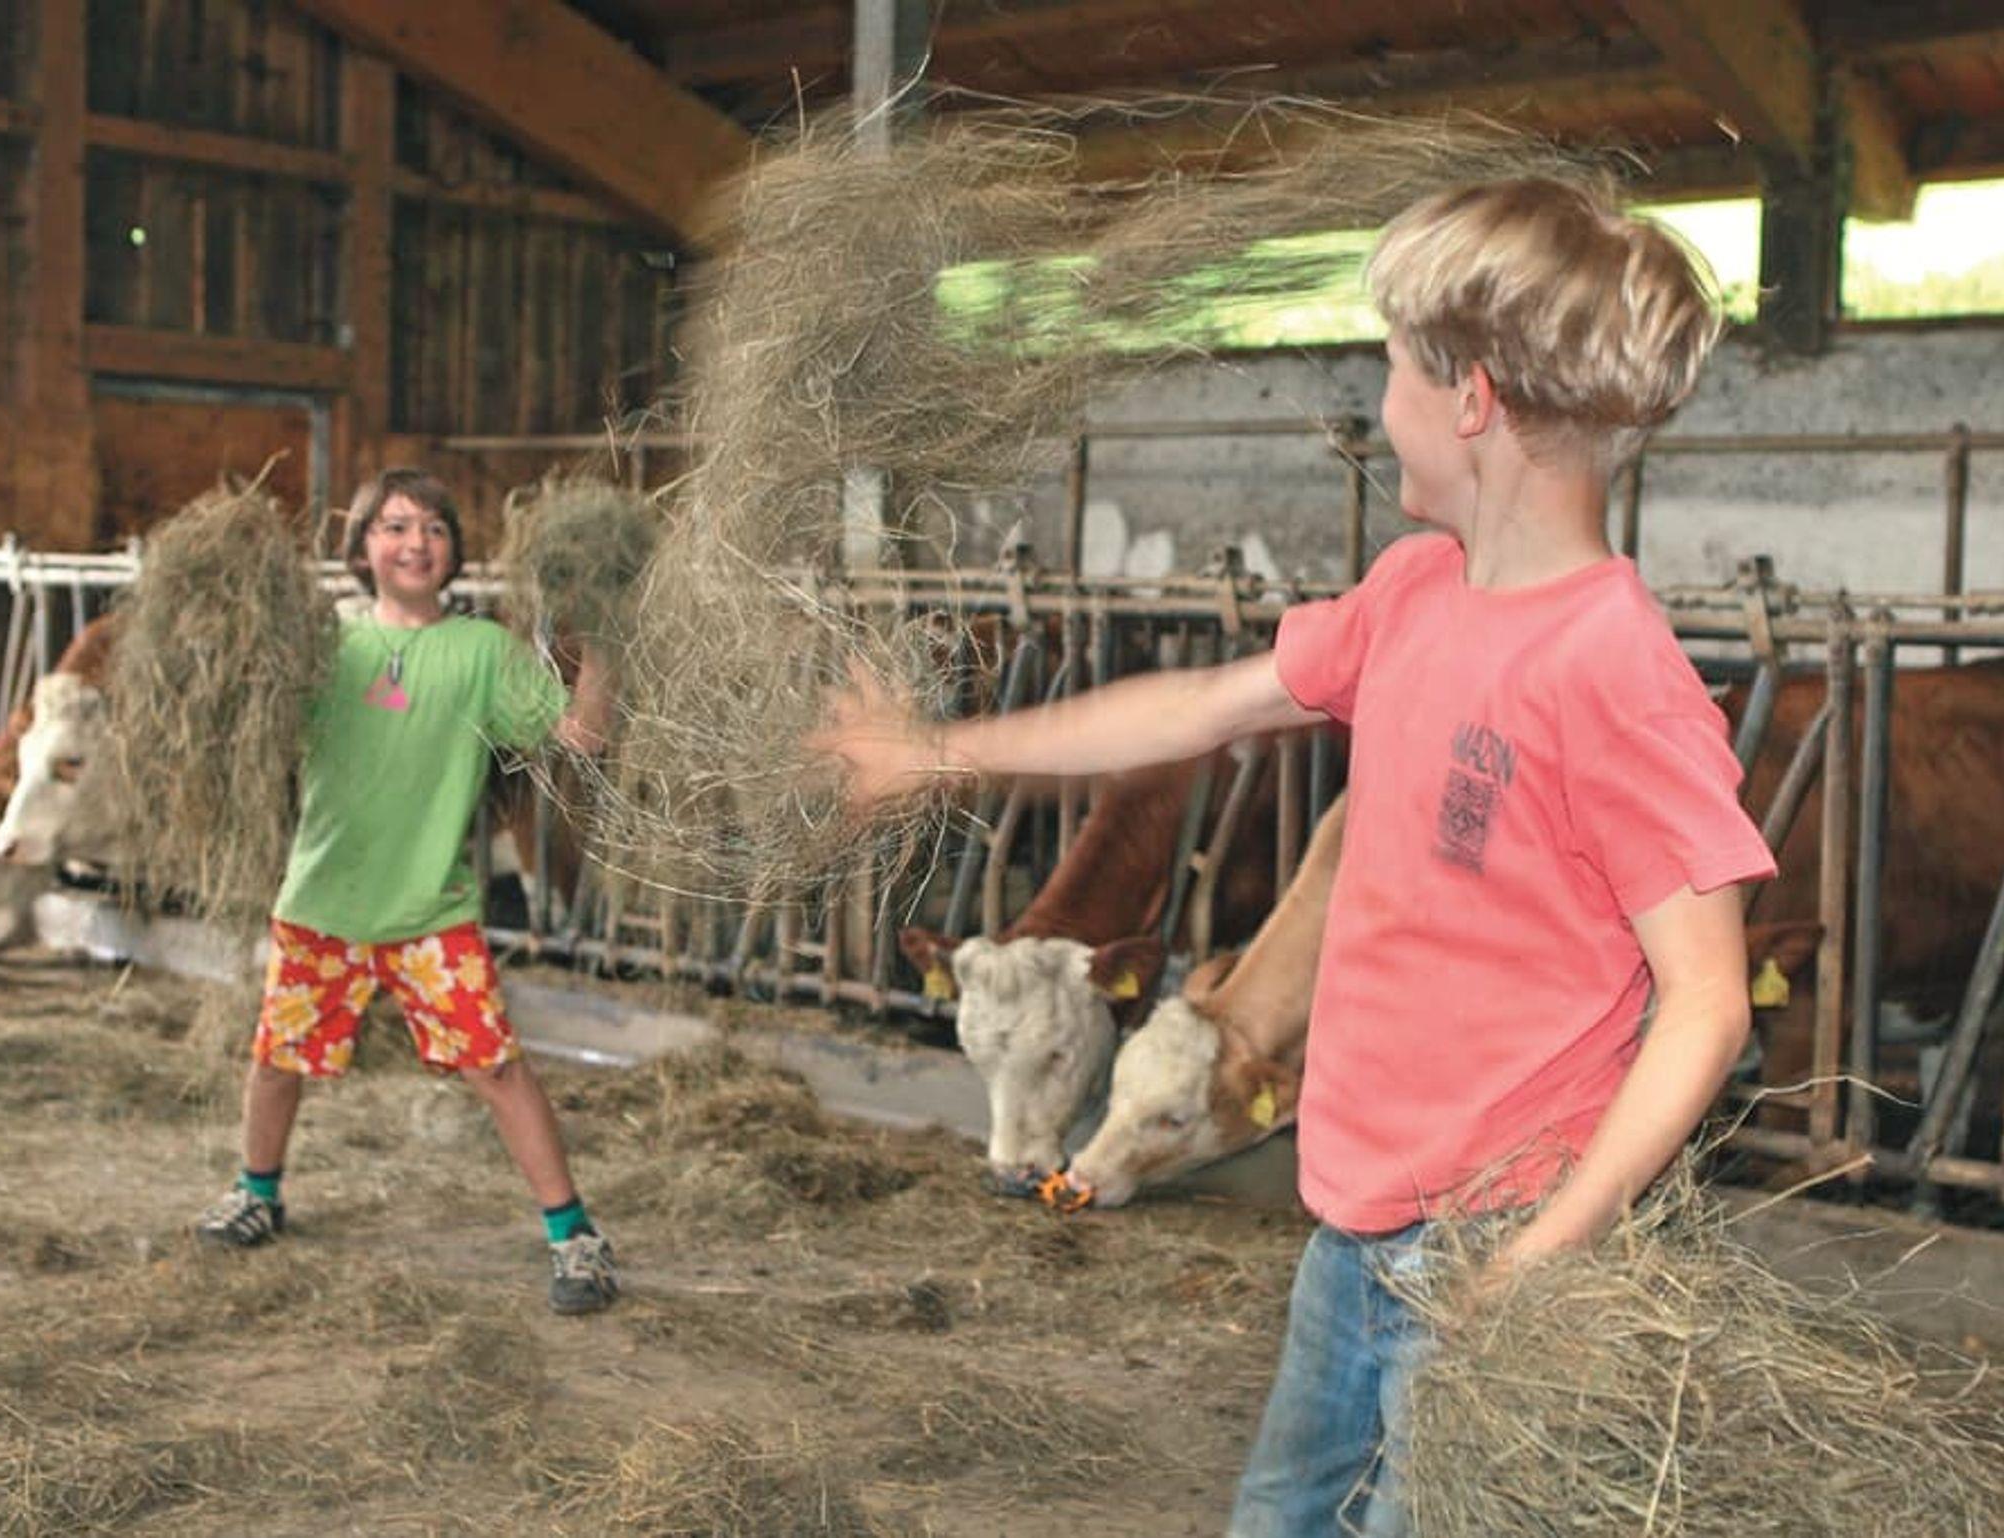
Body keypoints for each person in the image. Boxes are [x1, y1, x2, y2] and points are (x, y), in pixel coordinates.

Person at [811, 175, 1774, 1532]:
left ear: (1469, 398)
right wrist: (933, 750)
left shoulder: (1614, 673)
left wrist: (1550, 1246)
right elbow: (1197, 708)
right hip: (1354, 1221)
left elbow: (1709, 1000)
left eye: (1390, 369)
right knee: (1281, 1514)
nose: (1377, 406)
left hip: (1495, 1240)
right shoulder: (1412, 594)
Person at [195, 467, 620, 1317]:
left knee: (496, 1065)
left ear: (454, 550)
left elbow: (578, 735)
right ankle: (257, 1192)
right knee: (277, 1060)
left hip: (431, 910)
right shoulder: (320, 644)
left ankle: (574, 1234)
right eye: (393, 526)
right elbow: (242, 715)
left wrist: (609, 638)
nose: (415, 542)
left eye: (433, 527)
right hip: (323, 902)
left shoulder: (483, 651)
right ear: (362, 549)